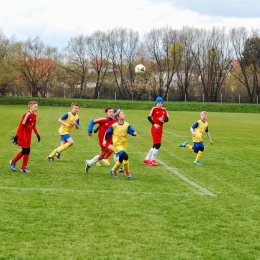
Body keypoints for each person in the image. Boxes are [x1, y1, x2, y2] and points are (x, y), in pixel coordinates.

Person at [104, 109, 137, 179]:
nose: (124, 115)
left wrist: (134, 133)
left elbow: (132, 131)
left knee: (121, 160)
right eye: (122, 114)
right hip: (117, 145)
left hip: (124, 145)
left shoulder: (127, 125)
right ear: (118, 117)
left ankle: (113, 170)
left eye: (123, 114)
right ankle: (127, 172)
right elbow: (107, 132)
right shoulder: (114, 126)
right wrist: (105, 141)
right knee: (126, 157)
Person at [9, 101, 40, 173]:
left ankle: (23, 167)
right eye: (35, 107)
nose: (37, 108)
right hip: (23, 135)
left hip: (29, 135)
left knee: (27, 151)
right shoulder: (26, 115)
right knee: (25, 150)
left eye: (37, 107)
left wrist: (37, 134)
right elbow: (21, 125)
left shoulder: (34, 115)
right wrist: (17, 136)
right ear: (30, 107)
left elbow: (33, 126)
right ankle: (13, 162)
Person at [85, 106, 117, 173]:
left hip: (110, 141)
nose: (112, 113)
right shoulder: (103, 120)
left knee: (101, 157)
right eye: (110, 112)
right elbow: (92, 121)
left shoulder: (115, 121)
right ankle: (119, 168)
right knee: (116, 151)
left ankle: (89, 163)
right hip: (103, 141)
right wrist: (90, 131)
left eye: (113, 112)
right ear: (106, 113)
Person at [143, 96, 169, 166]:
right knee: (158, 144)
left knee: (155, 144)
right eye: (159, 103)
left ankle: (146, 159)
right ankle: (152, 160)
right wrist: (154, 124)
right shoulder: (154, 109)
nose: (160, 104)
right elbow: (149, 117)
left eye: (161, 103)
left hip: (160, 129)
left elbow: (167, 119)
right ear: (156, 103)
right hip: (154, 129)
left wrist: (163, 120)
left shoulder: (164, 110)